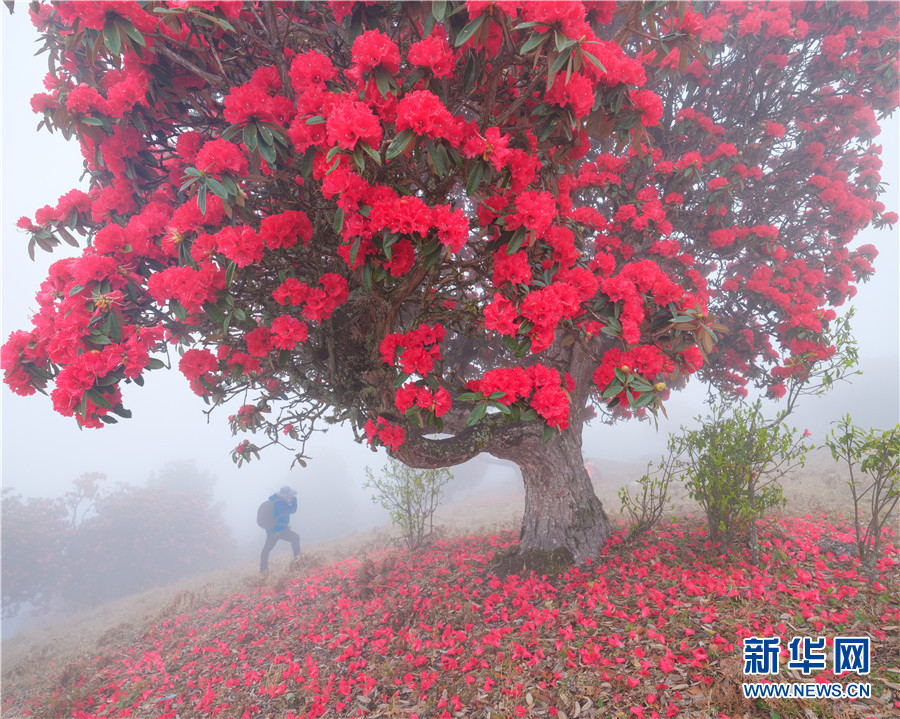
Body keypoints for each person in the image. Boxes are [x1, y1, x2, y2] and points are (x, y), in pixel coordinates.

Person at [260, 485, 300, 573]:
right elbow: (292, 510)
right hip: (280, 530)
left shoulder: (275, 501)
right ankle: (298, 561)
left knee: (266, 550)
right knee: (296, 538)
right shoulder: (281, 503)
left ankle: (263, 570)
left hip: (271, 530)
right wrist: (294, 499)